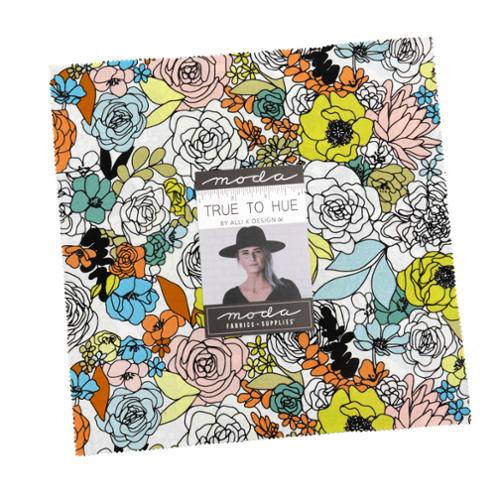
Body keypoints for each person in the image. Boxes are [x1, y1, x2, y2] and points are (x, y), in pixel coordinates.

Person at [219, 226, 301, 305]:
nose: (252, 258)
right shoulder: (231, 297)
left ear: (266, 255)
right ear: (239, 259)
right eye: (245, 253)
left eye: (257, 251)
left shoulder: (287, 289)